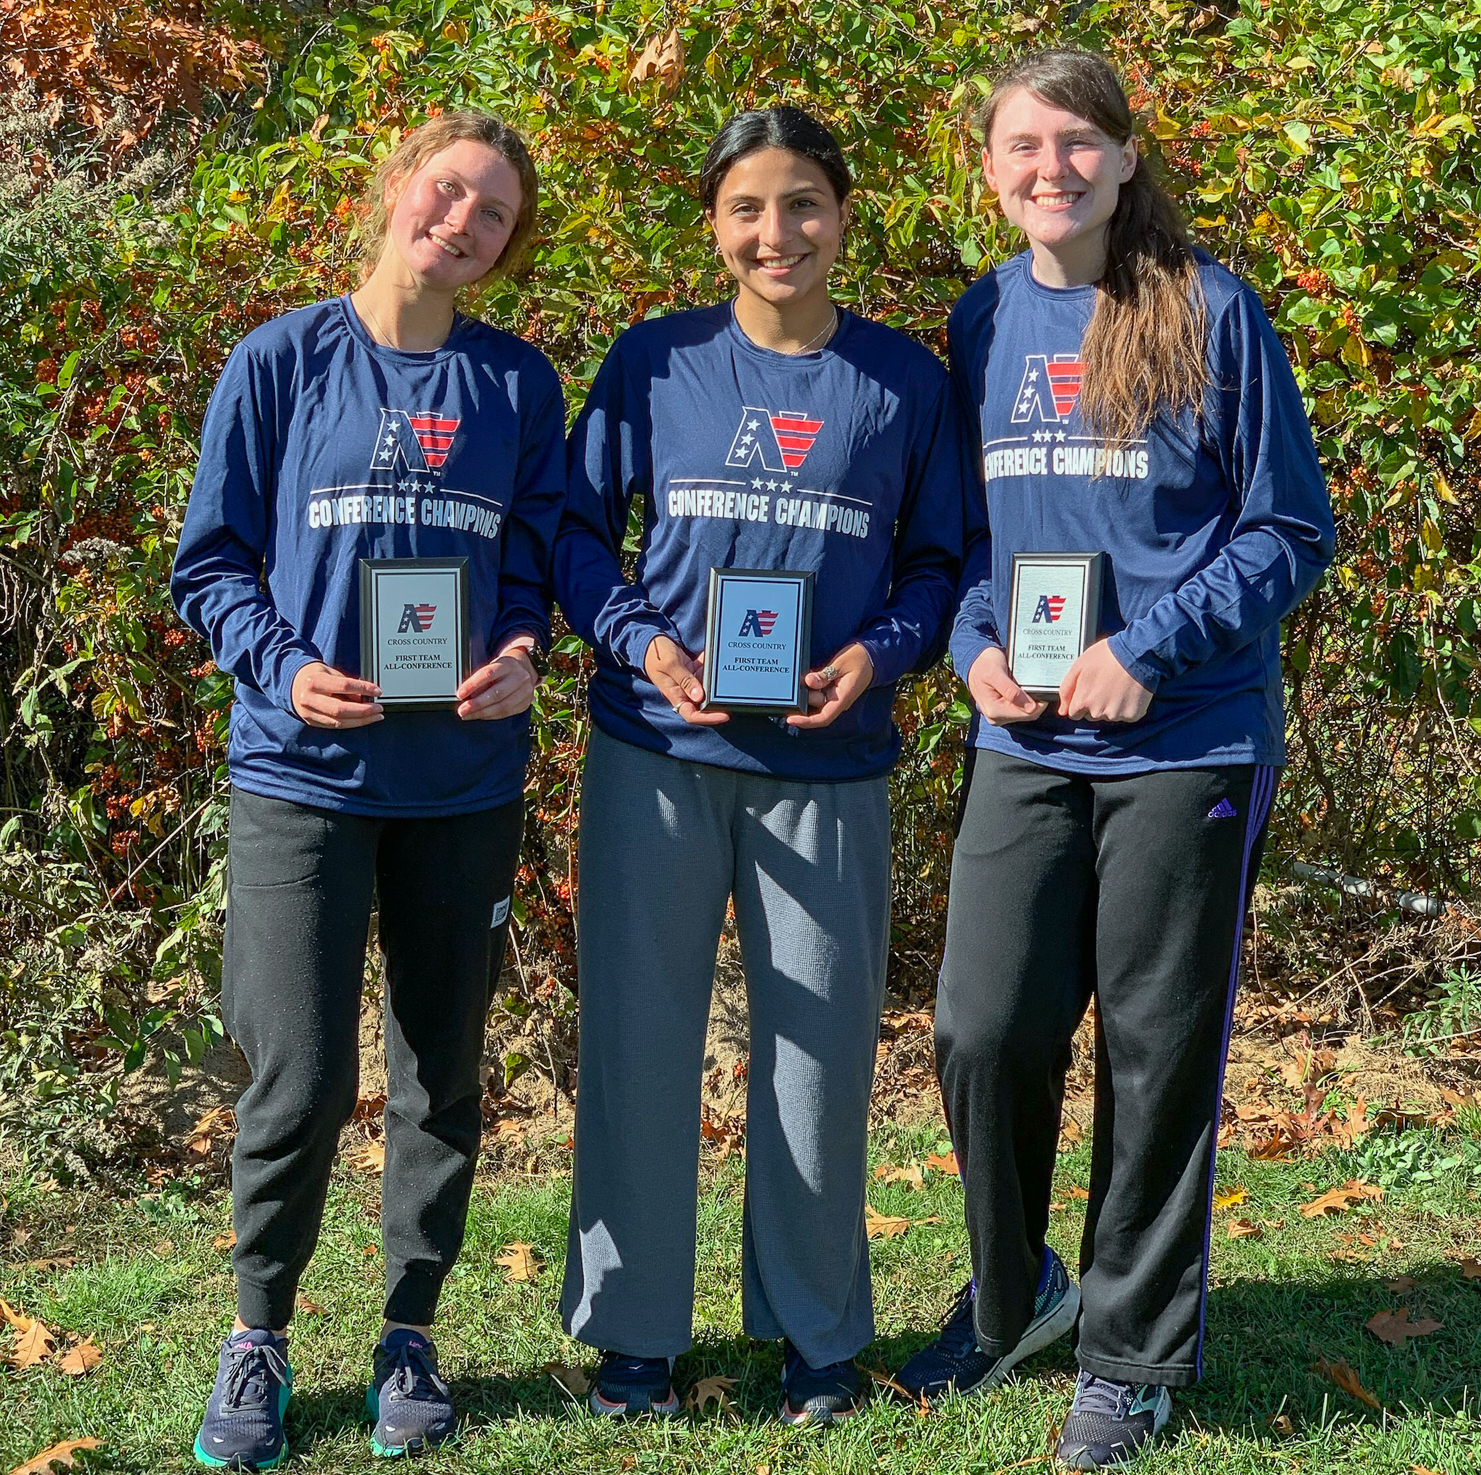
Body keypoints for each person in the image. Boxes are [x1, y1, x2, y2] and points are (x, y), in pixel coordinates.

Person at [892, 49, 1335, 1471]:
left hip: (1187, 735)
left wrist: (1149, 649)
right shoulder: (981, 316)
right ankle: (1017, 1293)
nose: (1052, 168)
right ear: (989, 168)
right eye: (1023, 146)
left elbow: (1288, 529)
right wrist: (970, 647)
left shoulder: (1209, 310)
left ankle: (1131, 1356)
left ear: (1127, 159)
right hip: (1023, 735)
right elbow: (967, 547)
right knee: (982, 1026)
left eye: (1079, 143)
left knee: (1154, 1048)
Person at [552, 105, 964, 1426]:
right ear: (715, 225)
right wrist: (637, 642)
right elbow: (570, 532)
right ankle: (633, 1339)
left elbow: (940, 562)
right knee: (639, 1044)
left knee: (819, 1057)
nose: (775, 232)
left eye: (802, 205)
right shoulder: (656, 364)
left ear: (844, 218)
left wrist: (883, 654)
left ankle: (818, 1336)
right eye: (747, 208)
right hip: (654, 753)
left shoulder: (907, 382)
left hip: (828, 762)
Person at [171, 111, 565, 1467]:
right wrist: (280, 670)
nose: (460, 222)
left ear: (506, 251)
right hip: (304, 774)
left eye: (492, 215)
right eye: (447, 191)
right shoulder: (279, 361)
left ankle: (410, 1330)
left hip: (462, 779)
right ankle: (259, 1336)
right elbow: (209, 564)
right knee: (293, 1068)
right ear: (396, 188)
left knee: (436, 1067)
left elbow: (534, 564)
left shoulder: (517, 387)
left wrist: (522, 651)